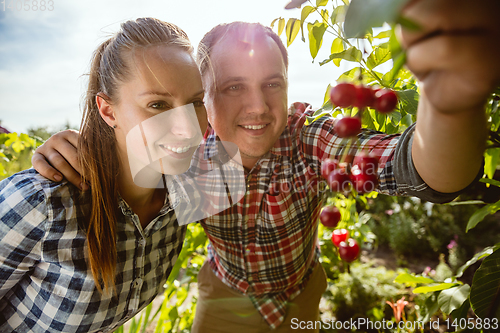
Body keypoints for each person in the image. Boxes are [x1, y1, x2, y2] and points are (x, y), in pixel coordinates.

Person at [31, 0, 500, 331]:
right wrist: (71, 146)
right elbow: (124, 150)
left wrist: (449, 102)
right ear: (203, 101)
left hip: (302, 289)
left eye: (271, 83)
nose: (257, 106)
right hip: (225, 292)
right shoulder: (186, 153)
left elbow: (420, 170)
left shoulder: (309, 141)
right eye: (233, 87)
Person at [0, 18, 211, 332]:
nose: (186, 126)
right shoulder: (42, 202)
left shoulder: (184, 196)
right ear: (108, 111)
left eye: (195, 102)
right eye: (157, 104)